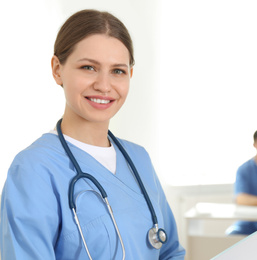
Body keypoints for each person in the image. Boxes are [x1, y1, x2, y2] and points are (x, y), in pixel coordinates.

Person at [0, 9, 185, 259]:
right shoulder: (34, 169)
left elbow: (170, 251)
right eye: (89, 67)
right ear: (57, 69)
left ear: (130, 74)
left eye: (117, 71)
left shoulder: (139, 159)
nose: (104, 85)